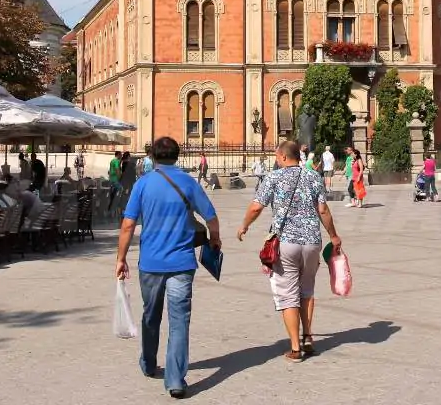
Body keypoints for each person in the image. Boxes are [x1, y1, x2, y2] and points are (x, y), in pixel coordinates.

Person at [116, 137, 221, 399]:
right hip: (182, 263)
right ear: (177, 155)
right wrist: (215, 240)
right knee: (179, 320)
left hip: (150, 263)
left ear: (152, 156)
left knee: (151, 315)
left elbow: (128, 225)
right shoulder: (187, 181)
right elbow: (211, 217)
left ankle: (149, 363)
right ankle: (175, 379)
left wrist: (121, 258)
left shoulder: (142, 184)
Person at [236, 141, 341, 363]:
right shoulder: (313, 176)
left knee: (287, 293)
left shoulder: (273, 178)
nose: (276, 160)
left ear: (283, 157)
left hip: (286, 243)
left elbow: (256, 207)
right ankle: (308, 336)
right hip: (312, 241)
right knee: (307, 289)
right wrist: (333, 235)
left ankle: (295, 348)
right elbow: (323, 209)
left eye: (276, 157)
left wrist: (244, 225)